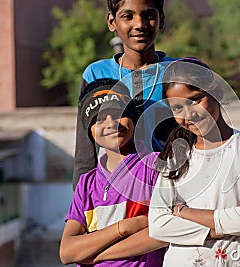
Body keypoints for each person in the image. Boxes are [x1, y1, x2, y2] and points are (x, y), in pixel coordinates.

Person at [148, 59, 240, 267]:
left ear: (217, 92)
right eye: (178, 108)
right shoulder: (176, 156)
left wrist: (182, 212)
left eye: (196, 99)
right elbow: (158, 225)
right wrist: (224, 223)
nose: (189, 115)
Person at [73, 0, 179, 190]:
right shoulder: (96, 75)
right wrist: (84, 208)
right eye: (127, 16)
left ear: (161, 19)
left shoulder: (180, 72)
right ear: (112, 22)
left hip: (174, 189)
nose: (139, 24)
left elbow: (207, 136)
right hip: (118, 196)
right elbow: (85, 153)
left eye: (148, 15)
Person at [61, 78, 167, 266]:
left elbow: (164, 232)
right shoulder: (87, 184)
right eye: (100, 119)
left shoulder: (155, 167)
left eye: (118, 113)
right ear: (90, 131)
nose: (111, 123)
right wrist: (124, 228)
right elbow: (67, 252)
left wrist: (94, 255)